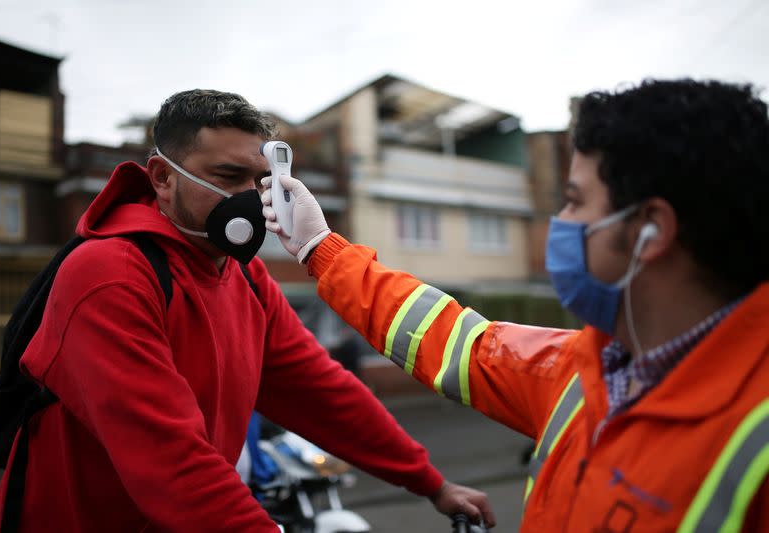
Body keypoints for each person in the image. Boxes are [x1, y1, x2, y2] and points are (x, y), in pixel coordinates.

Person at [261, 79, 769, 532]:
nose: (558, 223)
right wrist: (319, 247)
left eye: (573, 200)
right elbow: (455, 341)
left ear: (649, 230)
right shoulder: (589, 366)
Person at [0, 90, 494, 532]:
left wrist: (431, 482)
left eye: (259, 179)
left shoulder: (245, 275)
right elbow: (170, 460)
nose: (250, 198)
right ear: (162, 177)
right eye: (228, 177)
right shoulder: (108, 275)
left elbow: (320, 391)